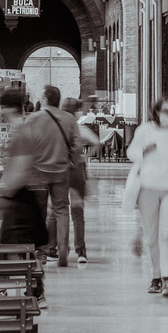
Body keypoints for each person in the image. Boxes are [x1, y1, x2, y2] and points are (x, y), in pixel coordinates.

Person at [0, 87, 49, 304]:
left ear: (7, 107)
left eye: (1, 106)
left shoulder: (21, 132)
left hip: (21, 197)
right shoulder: (23, 129)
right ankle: (31, 290)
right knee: (19, 248)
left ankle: (32, 290)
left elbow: (22, 166)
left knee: (14, 247)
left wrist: (5, 188)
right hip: (22, 195)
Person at [129, 95, 168, 297]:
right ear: (157, 113)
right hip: (148, 187)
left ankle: (167, 276)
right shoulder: (145, 130)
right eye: (165, 112)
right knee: (152, 235)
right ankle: (156, 275)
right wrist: (143, 152)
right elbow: (132, 152)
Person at [13, 85, 77, 269]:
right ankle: (63, 250)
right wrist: (71, 161)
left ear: (46, 99)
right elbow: (77, 145)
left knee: (39, 211)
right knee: (62, 209)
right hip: (61, 171)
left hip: (38, 171)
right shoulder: (69, 119)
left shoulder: (33, 118)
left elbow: (24, 144)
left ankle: (41, 251)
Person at [60, 97, 102, 266]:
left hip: (60, 171)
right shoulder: (79, 128)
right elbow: (97, 142)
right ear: (75, 111)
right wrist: (85, 156)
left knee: (58, 211)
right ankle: (81, 251)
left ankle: (57, 248)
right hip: (76, 171)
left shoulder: (58, 126)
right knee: (77, 213)